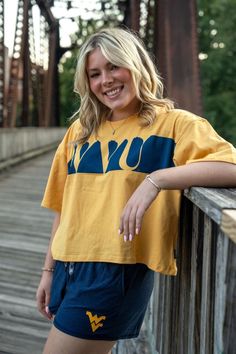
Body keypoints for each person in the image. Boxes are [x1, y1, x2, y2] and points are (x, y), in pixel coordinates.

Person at [36, 27, 236, 354]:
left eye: (114, 66)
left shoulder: (174, 124)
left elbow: (231, 167)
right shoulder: (80, 131)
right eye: (95, 73)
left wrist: (157, 179)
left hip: (115, 270)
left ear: (136, 65)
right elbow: (63, 206)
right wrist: (48, 271)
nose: (106, 80)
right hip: (68, 267)